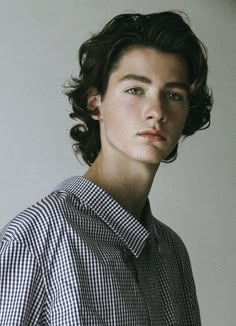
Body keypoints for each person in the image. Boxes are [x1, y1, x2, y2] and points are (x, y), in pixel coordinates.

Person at [0, 11, 212, 325]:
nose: (156, 111)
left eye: (172, 95)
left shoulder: (172, 252)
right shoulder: (34, 242)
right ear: (96, 103)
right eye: (135, 90)